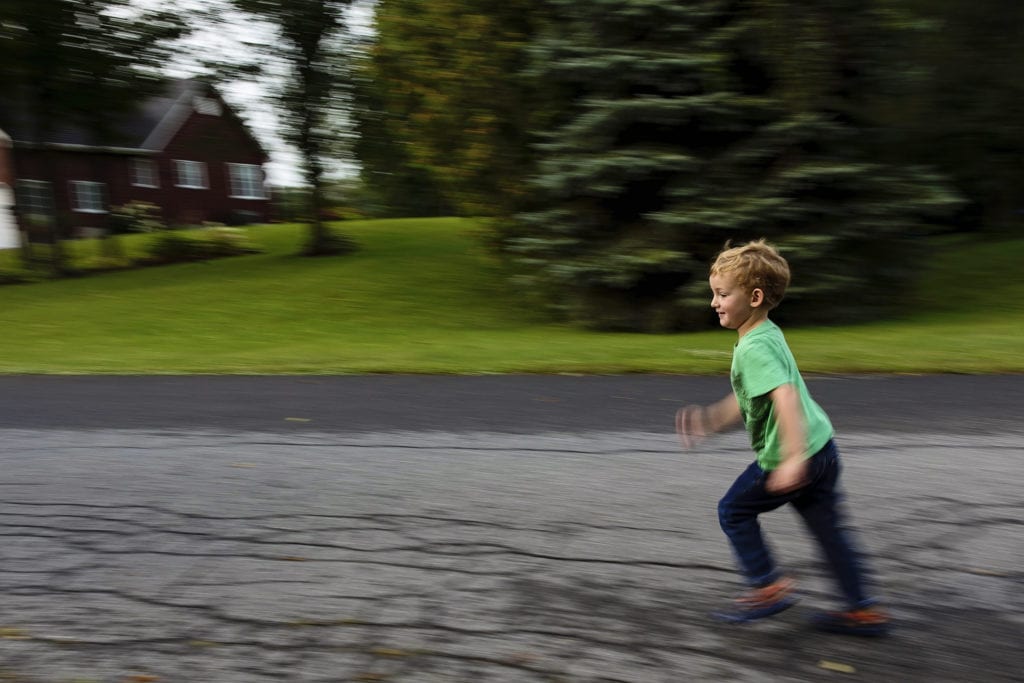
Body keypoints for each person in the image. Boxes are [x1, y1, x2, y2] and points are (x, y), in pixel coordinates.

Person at [675, 239, 889, 636]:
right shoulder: (767, 332)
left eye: (722, 294)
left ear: (754, 297)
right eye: (714, 294)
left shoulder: (753, 347)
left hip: (793, 456)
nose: (714, 303)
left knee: (734, 511)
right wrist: (711, 420)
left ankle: (767, 587)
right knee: (829, 532)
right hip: (822, 448)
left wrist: (791, 460)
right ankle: (862, 610)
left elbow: (785, 396)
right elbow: (749, 397)